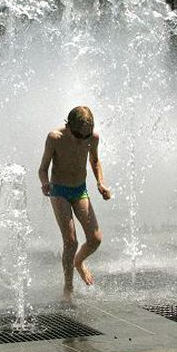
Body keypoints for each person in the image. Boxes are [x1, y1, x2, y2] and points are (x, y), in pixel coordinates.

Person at [38, 106, 112, 301]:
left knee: (95, 239)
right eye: (79, 136)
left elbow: (95, 161)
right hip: (59, 190)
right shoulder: (55, 138)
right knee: (71, 241)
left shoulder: (92, 138)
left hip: (79, 190)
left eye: (86, 136)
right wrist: (45, 183)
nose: (83, 140)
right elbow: (43, 169)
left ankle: (78, 262)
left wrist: (100, 183)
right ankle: (68, 288)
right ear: (68, 126)